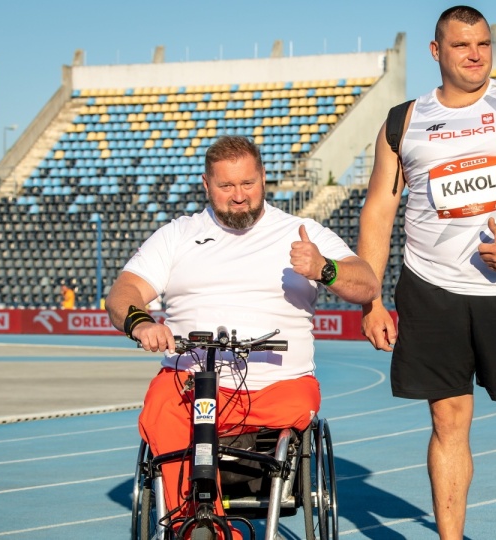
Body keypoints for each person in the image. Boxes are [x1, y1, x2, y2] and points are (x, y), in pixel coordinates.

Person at [357, 6, 496, 539]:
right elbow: (378, 213)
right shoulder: (403, 121)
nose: (475, 54)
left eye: (482, 43)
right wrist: (370, 302)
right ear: (437, 52)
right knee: (448, 421)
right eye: (462, 45)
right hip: (430, 288)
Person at [105, 135, 378, 539]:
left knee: (296, 404)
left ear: (264, 178)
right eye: (226, 186)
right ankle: (202, 526)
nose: (238, 196)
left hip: (277, 386)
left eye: (247, 184)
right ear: (206, 185)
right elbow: (122, 293)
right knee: (161, 406)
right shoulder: (177, 235)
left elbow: (367, 283)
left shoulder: (299, 231)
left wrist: (325, 268)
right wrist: (141, 322)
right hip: (190, 384)